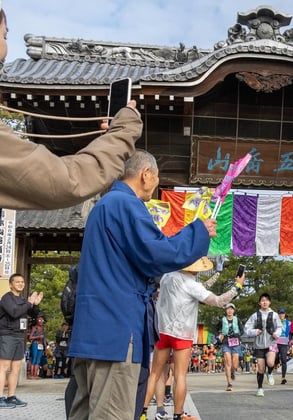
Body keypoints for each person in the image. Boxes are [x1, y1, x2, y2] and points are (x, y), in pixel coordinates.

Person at [68, 150, 218, 420]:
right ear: (145, 174)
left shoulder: (104, 206)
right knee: (112, 413)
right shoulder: (125, 205)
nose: (158, 183)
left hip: (93, 329)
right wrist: (198, 231)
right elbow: (155, 254)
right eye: (157, 176)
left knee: (84, 411)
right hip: (115, 328)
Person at [0, 7, 144, 211]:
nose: (6, 49)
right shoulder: (124, 206)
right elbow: (66, 182)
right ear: (146, 174)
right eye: (4, 35)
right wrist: (124, 131)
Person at [140, 257, 245, 420]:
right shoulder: (192, 285)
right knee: (180, 375)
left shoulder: (167, 275)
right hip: (182, 333)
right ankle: (178, 414)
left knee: (154, 374)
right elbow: (218, 301)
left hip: (161, 331)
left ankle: (143, 412)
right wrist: (237, 287)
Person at [0, 273, 43, 408]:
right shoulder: (6, 298)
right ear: (11, 284)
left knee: (16, 368)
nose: (20, 284)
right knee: (4, 367)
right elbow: (14, 313)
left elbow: (33, 314)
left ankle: (11, 396)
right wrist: (29, 303)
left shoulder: (24, 300)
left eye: (22, 282)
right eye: (17, 282)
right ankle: (0, 397)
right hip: (7, 334)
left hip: (19, 335)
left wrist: (35, 305)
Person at [244, 293, 282, 397]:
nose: (264, 302)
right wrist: (255, 332)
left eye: (266, 300)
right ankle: (260, 388)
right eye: (262, 300)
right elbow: (247, 328)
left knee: (270, 363)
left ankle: (269, 373)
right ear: (259, 303)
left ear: (269, 302)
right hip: (259, 344)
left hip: (271, 342)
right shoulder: (255, 315)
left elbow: (279, 327)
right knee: (260, 368)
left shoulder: (274, 315)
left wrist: (276, 334)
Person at [216, 302, 244, 391]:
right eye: (228, 309)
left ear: (234, 311)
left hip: (235, 342)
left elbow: (242, 330)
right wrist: (219, 335)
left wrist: (238, 336)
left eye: (231, 309)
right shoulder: (222, 320)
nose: (229, 310)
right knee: (228, 362)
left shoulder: (237, 320)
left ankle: (233, 371)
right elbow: (216, 330)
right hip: (226, 342)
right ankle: (229, 384)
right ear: (226, 310)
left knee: (235, 364)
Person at [276, 308, 291, 385]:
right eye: (280, 313)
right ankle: (274, 366)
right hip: (275, 342)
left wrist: (290, 341)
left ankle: (283, 377)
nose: (281, 315)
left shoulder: (289, 323)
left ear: (285, 314)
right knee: (275, 358)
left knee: (284, 360)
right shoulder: (275, 322)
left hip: (284, 343)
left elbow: (291, 332)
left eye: (283, 313)